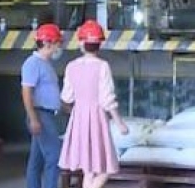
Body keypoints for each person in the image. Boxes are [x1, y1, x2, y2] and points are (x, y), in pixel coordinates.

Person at [58, 20, 128, 188]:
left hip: (78, 117)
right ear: (100, 44)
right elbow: (106, 98)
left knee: (88, 169)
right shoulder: (102, 66)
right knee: (106, 165)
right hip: (97, 118)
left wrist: (75, 110)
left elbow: (67, 97)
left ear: (81, 43)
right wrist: (119, 123)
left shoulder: (71, 66)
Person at [21, 23, 65, 188]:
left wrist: (65, 107)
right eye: (57, 43)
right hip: (41, 115)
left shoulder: (45, 64)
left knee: (37, 159)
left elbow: (50, 93)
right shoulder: (33, 63)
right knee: (54, 156)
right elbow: (26, 92)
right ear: (47, 43)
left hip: (47, 114)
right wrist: (33, 119)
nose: (59, 47)